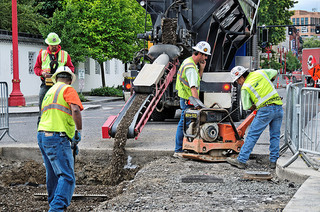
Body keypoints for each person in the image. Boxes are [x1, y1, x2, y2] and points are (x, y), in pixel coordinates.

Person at [37, 66, 83, 211]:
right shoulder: (68, 89)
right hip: (57, 136)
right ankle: (56, 209)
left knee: (52, 174)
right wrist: (78, 131)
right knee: (67, 176)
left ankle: (54, 204)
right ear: (70, 80)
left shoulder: (49, 92)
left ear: (56, 78)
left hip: (42, 135)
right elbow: (75, 109)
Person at [226, 66, 283, 169]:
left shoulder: (245, 87)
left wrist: (255, 104)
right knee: (275, 135)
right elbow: (274, 71)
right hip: (278, 107)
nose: (238, 83)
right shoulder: (260, 73)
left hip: (265, 110)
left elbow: (247, 107)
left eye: (237, 80)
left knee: (252, 135)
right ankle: (273, 161)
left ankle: (241, 160)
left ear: (242, 77)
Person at [173, 41, 211, 158]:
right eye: (205, 55)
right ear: (200, 54)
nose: (206, 58)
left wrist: (202, 69)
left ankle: (184, 147)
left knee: (186, 123)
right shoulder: (190, 67)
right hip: (188, 99)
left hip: (186, 98)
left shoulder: (190, 63)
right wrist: (198, 104)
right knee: (184, 124)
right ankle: (178, 150)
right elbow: (193, 87)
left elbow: (196, 79)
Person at [34, 32, 74, 124]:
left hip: (61, 85)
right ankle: (41, 125)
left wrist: (65, 73)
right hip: (46, 84)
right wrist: (42, 73)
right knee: (42, 104)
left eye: (55, 45)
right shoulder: (42, 54)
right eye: (52, 45)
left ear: (58, 44)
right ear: (48, 44)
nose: (54, 47)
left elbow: (71, 68)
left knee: (63, 105)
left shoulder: (65, 54)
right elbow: (36, 68)